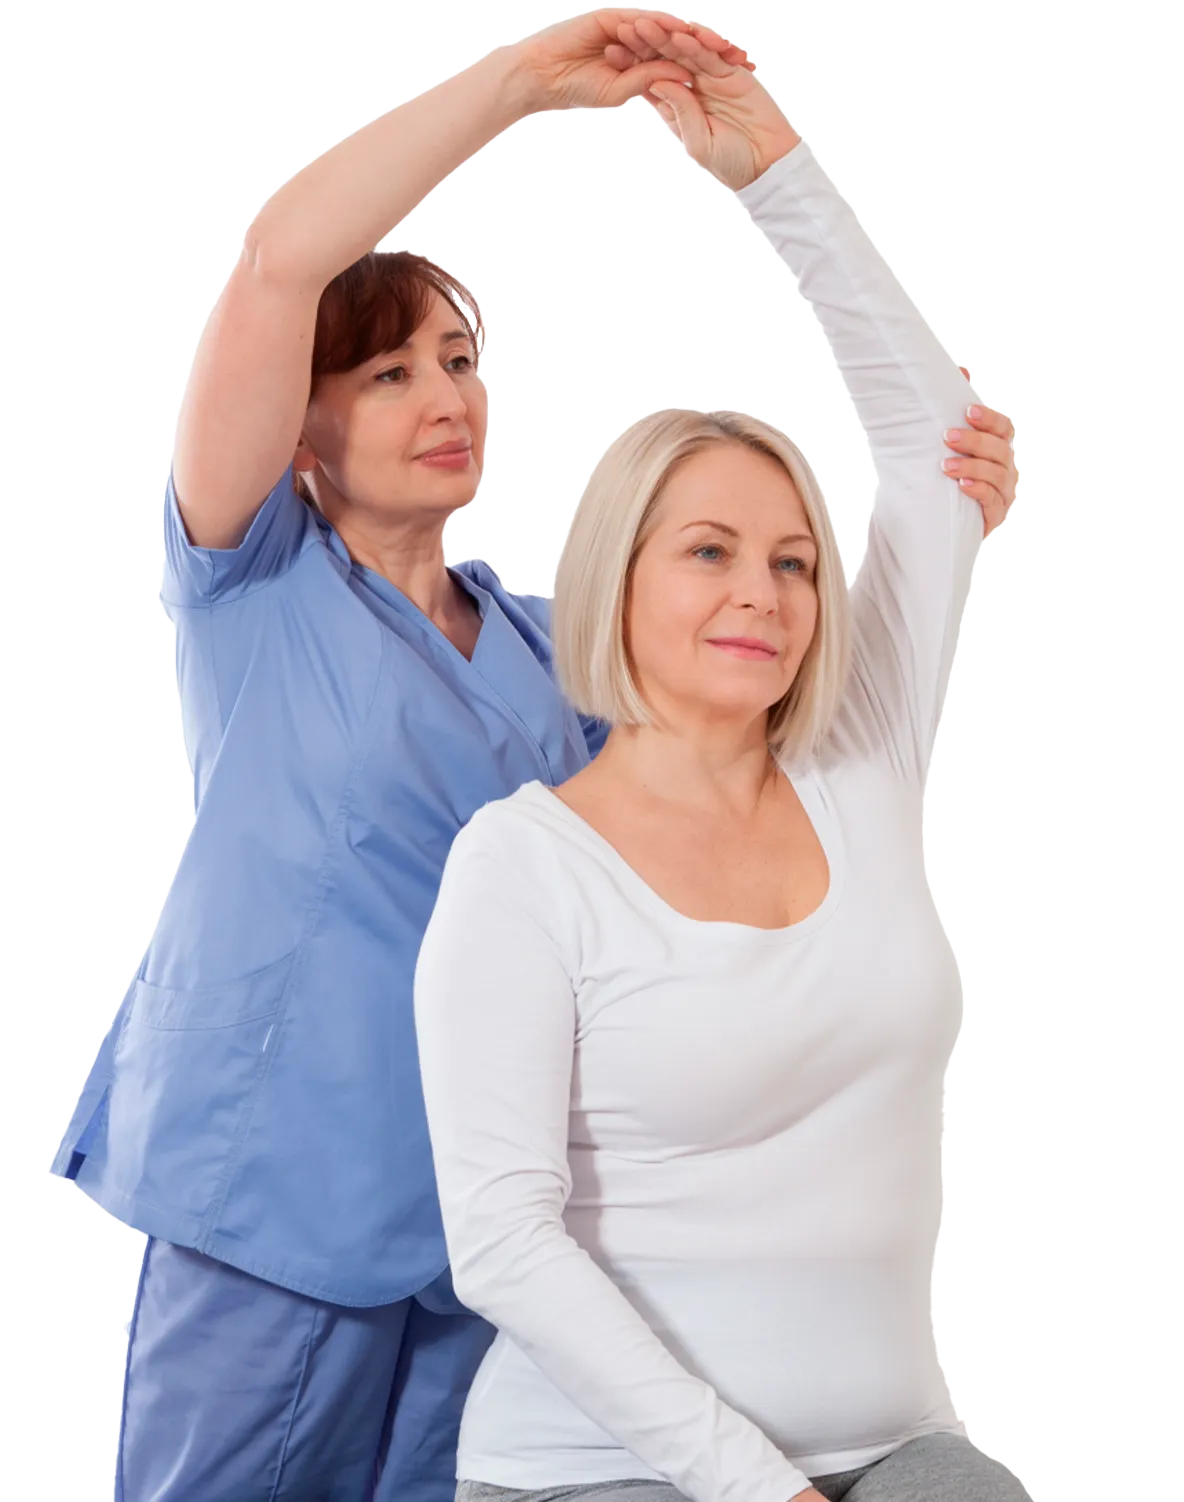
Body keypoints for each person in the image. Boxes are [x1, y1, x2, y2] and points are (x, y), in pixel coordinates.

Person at [45, 10, 1016, 1502]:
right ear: (297, 421)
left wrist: (945, 506)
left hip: (485, 1254)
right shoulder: (252, 587)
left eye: (462, 358)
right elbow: (276, 262)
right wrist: (519, 87)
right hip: (277, 1217)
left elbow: (716, 659)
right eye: (385, 374)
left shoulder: (554, 651)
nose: (444, 396)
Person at [412, 17, 1027, 1502]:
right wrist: (758, 1487)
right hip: (596, 1469)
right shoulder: (523, 865)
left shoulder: (860, 764)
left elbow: (938, 432)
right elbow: (501, 1239)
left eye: (796, 561)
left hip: (891, 1448)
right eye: (709, 552)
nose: (763, 590)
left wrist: (774, 170)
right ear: (616, 577)